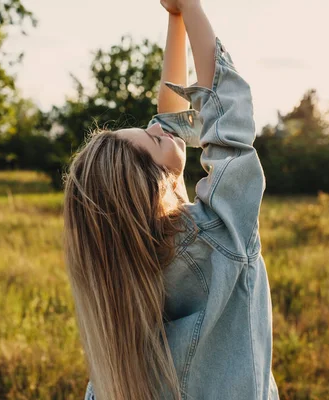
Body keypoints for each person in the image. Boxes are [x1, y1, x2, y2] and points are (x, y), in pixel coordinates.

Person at [62, 0, 279, 398]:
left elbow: (168, 117)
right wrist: (192, 5)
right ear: (150, 186)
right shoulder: (221, 239)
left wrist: (175, 19)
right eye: (151, 137)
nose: (160, 129)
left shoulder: (124, 273)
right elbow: (225, 114)